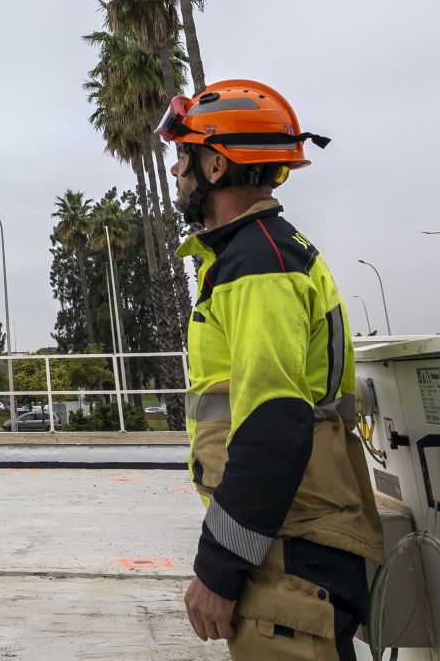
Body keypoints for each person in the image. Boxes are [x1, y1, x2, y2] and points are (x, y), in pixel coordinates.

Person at [159, 80, 383, 660]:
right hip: (290, 534)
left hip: (289, 546)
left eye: (184, 156)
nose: (176, 172)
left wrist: (219, 570)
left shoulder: (257, 265)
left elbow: (272, 425)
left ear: (214, 165)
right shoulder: (260, 252)